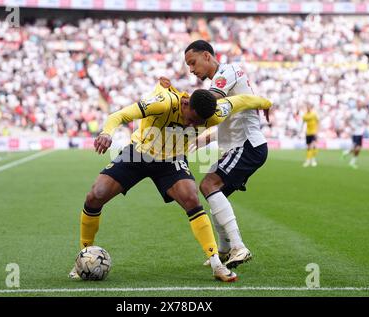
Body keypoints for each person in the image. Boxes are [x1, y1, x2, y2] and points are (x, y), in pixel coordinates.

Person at [69, 80, 272, 282]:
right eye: (191, 119)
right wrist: (107, 133)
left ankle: (216, 263)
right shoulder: (163, 103)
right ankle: (84, 257)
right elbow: (119, 115)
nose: (192, 126)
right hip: (139, 153)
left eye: (198, 124)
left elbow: (243, 100)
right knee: (96, 195)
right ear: (185, 105)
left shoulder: (216, 112)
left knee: (192, 198)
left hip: (172, 159)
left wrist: (266, 103)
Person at [184, 40, 270, 269]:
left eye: (193, 63)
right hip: (242, 145)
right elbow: (230, 116)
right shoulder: (225, 78)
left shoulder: (226, 72)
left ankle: (238, 247)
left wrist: (184, 113)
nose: (192, 70)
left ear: (206, 55)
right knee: (215, 193)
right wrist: (207, 138)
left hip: (247, 146)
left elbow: (207, 102)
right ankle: (223, 251)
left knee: (208, 185)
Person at [342, 101, 369, 169]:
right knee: (356, 148)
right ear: (356, 105)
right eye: (358, 104)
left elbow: (366, 120)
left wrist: (366, 122)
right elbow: (347, 120)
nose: (359, 105)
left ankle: (348, 154)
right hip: (354, 132)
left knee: (358, 148)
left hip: (361, 131)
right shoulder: (353, 112)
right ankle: (350, 158)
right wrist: (350, 127)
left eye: (361, 104)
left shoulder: (364, 112)